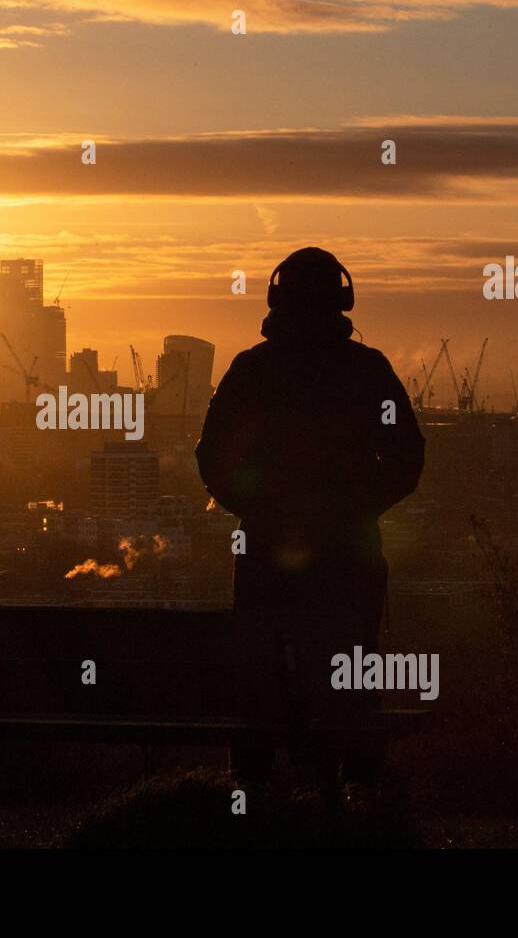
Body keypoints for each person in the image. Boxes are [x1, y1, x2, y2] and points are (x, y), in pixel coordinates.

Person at [195, 247, 424, 786]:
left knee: (259, 672)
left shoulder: (251, 371)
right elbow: (407, 458)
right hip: (350, 553)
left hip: (264, 553)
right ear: (342, 300)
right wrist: (359, 508)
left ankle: (252, 785)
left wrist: (255, 509)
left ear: (277, 298)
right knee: (353, 672)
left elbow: (212, 456)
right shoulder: (368, 371)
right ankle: (358, 786)